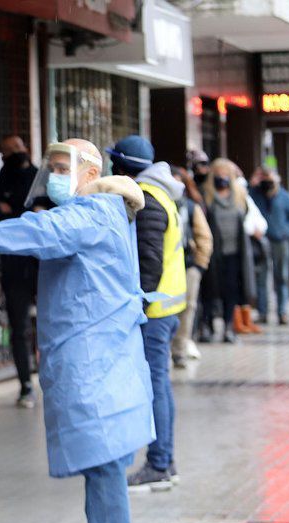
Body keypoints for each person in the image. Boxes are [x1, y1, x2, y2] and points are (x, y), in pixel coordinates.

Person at [0, 139, 153, 523]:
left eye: (63, 167)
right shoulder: (100, 212)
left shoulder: (91, 213)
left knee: (104, 454)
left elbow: (42, 233)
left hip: (94, 353)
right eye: (51, 167)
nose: (54, 175)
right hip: (97, 350)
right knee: (102, 453)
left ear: (90, 174)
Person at [105, 136, 186, 492]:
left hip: (155, 309)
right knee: (159, 384)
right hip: (165, 307)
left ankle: (159, 463)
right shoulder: (159, 193)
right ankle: (164, 460)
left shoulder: (148, 199)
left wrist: (135, 308)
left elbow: (148, 261)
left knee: (155, 385)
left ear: (123, 167)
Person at [0, 134, 42, 409]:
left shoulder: (41, 178)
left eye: (18, 148)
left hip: (43, 264)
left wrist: (17, 214)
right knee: (19, 329)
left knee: (51, 323)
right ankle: (25, 385)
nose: (15, 153)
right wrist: (25, 213)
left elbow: (45, 215)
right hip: (13, 266)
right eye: (8, 150)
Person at [199, 158, 259, 344]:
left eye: (226, 175)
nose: (222, 178)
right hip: (212, 252)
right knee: (210, 290)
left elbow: (247, 216)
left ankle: (228, 326)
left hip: (234, 252)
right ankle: (207, 325)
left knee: (231, 290)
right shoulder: (206, 195)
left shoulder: (240, 195)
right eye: (218, 175)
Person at [169, 165, 213, 368]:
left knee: (187, 308)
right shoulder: (158, 203)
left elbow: (204, 237)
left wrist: (199, 266)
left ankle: (179, 349)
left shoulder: (190, 206)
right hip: (165, 266)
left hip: (188, 265)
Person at [250, 166, 289, 325]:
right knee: (261, 277)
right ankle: (262, 312)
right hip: (261, 242)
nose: (266, 182)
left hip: (280, 241)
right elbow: (244, 204)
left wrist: (285, 231)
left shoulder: (284, 196)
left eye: (269, 178)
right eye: (263, 178)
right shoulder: (254, 194)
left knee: (282, 276)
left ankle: (282, 312)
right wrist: (252, 182)